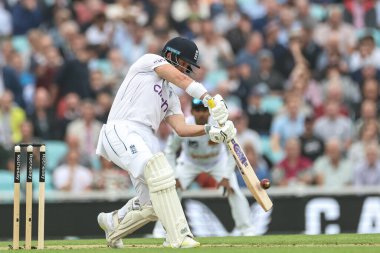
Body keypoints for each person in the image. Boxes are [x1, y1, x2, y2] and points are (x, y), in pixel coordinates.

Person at [95, 37, 236, 248]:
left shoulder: (170, 96)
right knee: (160, 172)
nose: (187, 69)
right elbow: (181, 79)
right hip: (121, 128)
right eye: (186, 63)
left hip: (145, 137)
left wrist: (211, 130)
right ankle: (178, 236)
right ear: (170, 55)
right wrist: (210, 99)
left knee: (152, 206)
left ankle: (113, 222)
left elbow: (181, 128)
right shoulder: (149, 62)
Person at [153, 98, 255, 237]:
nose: (201, 114)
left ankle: (245, 229)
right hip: (190, 163)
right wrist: (175, 176)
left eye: (204, 110)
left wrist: (226, 176)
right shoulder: (184, 126)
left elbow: (234, 150)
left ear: (209, 112)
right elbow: (170, 150)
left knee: (234, 189)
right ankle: (161, 230)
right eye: (198, 110)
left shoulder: (220, 125)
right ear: (193, 112)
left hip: (217, 162)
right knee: (172, 191)